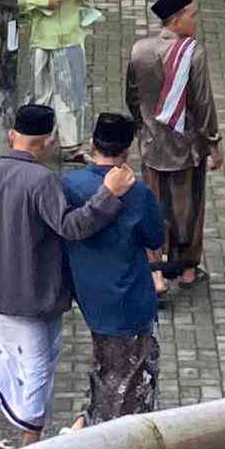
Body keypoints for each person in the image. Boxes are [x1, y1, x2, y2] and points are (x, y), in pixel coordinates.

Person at [0, 100, 133, 449]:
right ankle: (31, 443)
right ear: (47, 141)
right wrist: (109, 195)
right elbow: (71, 227)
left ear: (12, 135)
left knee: (3, 349)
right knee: (38, 366)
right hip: (33, 295)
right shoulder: (41, 181)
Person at [60, 112, 169, 423]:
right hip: (129, 298)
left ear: (92, 144)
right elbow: (154, 236)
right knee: (130, 381)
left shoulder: (70, 184)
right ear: (127, 150)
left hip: (90, 294)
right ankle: (112, 443)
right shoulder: (138, 193)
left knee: (105, 365)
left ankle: (85, 421)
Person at [126, 0, 222, 289]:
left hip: (153, 144)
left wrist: (143, 128)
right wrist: (214, 143)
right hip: (187, 147)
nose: (196, 22)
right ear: (176, 20)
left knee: (153, 206)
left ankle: (156, 274)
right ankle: (187, 269)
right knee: (189, 208)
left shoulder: (139, 50)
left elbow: (131, 96)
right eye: (192, 16)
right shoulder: (194, 54)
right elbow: (203, 103)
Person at [18, 0, 102, 153]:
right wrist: (43, 1)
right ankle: (35, 143)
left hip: (72, 35)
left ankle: (72, 146)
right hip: (43, 38)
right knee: (41, 95)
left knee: (72, 94)